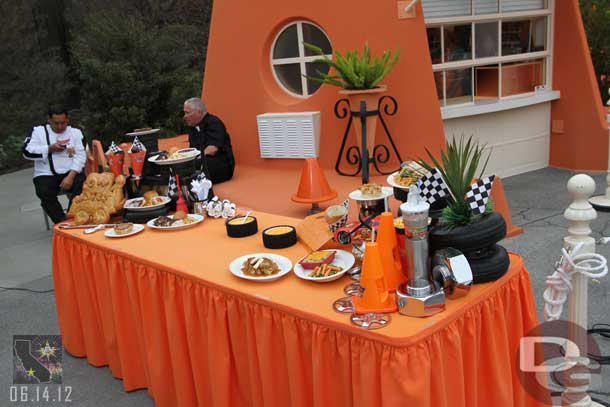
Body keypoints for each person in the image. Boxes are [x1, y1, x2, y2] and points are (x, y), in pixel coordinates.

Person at [22, 105, 86, 224]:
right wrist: (49, 149)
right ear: (49, 120)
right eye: (56, 123)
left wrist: (70, 177)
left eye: (63, 123)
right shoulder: (38, 131)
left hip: (70, 171)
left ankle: (74, 215)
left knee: (83, 183)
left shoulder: (75, 132)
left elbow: (81, 156)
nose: (60, 126)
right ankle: (61, 221)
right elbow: (26, 152)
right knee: (43, 191)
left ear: (67, 120)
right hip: (46, 173)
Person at [183, 98, 235, 183]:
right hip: (202, 162)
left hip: (221, 165)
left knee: (191, 166)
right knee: (180, 165)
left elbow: (212, 149)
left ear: (199, 112)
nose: (185, 116)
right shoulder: (192, 127)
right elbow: (193, 150)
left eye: (187, 113)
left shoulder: (214, 123)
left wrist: (193, 161)